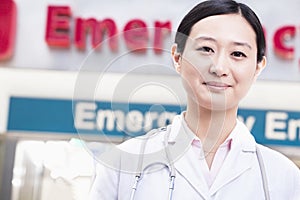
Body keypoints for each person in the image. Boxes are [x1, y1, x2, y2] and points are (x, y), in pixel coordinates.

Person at [89, 0, 300, 199]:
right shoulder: (122, 163)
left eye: (237, 54)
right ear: (177, 57)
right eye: (206, 49)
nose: (219, 68)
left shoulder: (283, 176)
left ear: (257, 67)